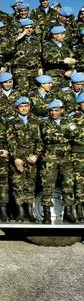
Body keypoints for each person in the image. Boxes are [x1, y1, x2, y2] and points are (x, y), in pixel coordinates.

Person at [6, 97, 42, 222]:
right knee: (18, 184)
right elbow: (10, 141)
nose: (24, 108)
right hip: (18, 158)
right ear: (17, 109)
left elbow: (39, 140)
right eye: (21, 106)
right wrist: (15, 158)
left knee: (30, 184)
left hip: (31, 158)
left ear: (29, 107)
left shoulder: (35, 121)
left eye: (26, 106)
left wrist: (36, 155)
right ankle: (20, 212)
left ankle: (30, 212)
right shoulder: (11, 122)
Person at [40, 99, 76, 223]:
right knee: (47, 186)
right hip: (50, 157)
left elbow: (74, 135)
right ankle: (46, 215)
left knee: (68, 184)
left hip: (66, 157)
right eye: (51, 111)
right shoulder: (45, 123)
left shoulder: (69, 121)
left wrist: (62, 135)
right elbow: (48, 136)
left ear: (62, 110)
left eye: (56, 110)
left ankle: (69, 212)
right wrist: (64, 136)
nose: (54, 113)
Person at [68, 93, 84, 222]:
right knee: (78, 184)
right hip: (78, 155)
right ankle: (79, 212)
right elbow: (71, 137)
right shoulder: (72, 119)